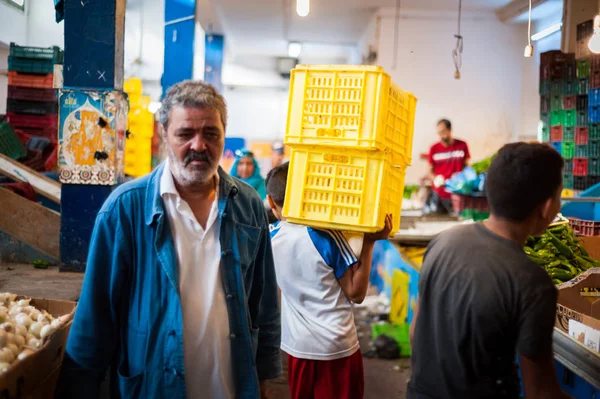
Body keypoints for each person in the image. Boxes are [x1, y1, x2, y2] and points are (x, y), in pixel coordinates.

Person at [56, 81, 281, 399]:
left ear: (223, 133)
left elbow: (264, 302)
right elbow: (95, 317)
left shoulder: (247, 204)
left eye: (211, 134)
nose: (199, 146)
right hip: (154, 388)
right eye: (185, 134)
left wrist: (265, 378)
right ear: (164, 134)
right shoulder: (125, 210)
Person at [408, 142, 571, 399]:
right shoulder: (532, 282)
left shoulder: (442, 242)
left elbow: (415, 332)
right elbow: (541, 393)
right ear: (547, 207)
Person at [266, 162, 393, 399]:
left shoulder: (268, 239)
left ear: (271, 201)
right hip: (337, 348)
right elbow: (356, 293)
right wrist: (369, 242)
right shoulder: (324, 235)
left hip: (297, 347)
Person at [428, 119, 470, 212]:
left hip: (457, 193)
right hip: (439, 194)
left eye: (443, 131)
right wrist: (435, 179)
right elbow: (430, 171)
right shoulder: (434, 148)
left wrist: (459, 176)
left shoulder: (462, 145)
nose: (441, 135)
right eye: (439, 132)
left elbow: (468, 168)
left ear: (450, 130)